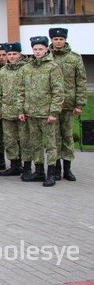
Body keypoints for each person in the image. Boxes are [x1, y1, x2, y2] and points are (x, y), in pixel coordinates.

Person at [21, 36, 64, 187]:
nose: (38, 52)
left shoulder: (53, 67)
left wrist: (54, 112)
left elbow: (58, 92)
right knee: (35, 144)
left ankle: (51, 173)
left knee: (51, 144)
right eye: (35, 49)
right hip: (31, 113)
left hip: (47, 114)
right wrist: (22, 109)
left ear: (47, 49)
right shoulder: (27, 68)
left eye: (40, 49)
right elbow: (21, 91)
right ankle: (39, 171)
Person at [49, 27, 86, 182]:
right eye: (56, 39)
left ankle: (67, 169)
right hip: (51, 105)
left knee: (68, 137)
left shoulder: (75, 57)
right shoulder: (47, 57)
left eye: (61, 39)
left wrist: (80, 103)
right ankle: (55, 169)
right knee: (54, 138)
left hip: (69, 104)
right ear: (51, 40)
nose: (58, 42)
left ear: (65, 40)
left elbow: (81, 81)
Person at [0, 42, 27, 177]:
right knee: (9, 139)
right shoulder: (3, 71)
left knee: (24, 140)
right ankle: (14, 165)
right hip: (7, 110)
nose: (11, 57)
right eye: (9, 54)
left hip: (22, 111)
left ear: (19, 54)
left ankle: (27, 166)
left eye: (14, 54)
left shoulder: (26, 69)